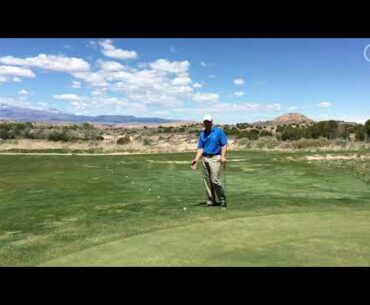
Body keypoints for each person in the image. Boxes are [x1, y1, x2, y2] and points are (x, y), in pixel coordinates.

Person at [191, 114, 228, 208]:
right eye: (205, 122)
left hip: (215, 158)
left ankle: (223, 199)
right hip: (205, 158)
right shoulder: (202, 134)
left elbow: (224, 144)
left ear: (212, 122)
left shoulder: (218, 131)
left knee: (214, 180)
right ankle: (211, 200)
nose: (206, 123)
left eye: (208, 121)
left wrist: (223, 157)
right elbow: (200, 148)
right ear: (203, 123)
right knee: (207, 180)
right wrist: (196, 159)